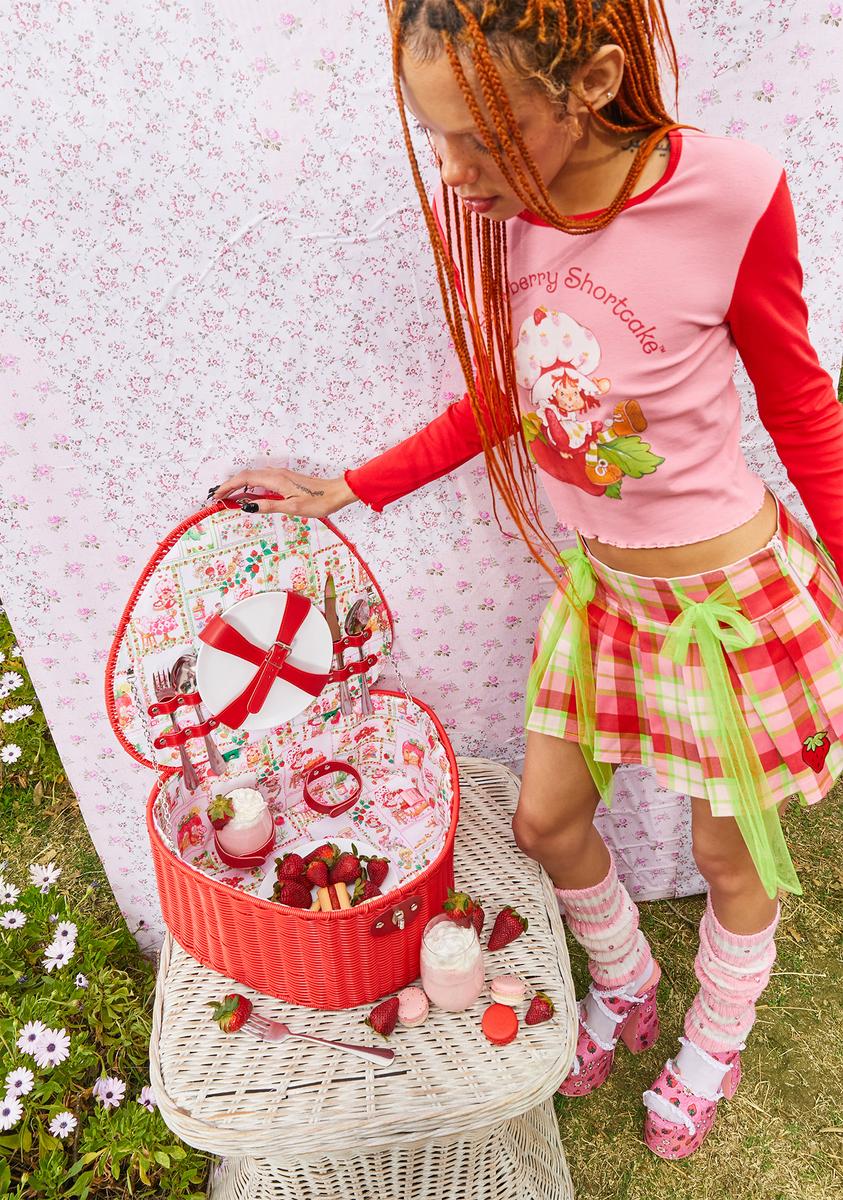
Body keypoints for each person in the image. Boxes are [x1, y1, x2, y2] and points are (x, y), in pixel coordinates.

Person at [207, 0, 843, 1160]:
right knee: (547, 822)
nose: (453, 175)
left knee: (726, 855)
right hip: (605, 602)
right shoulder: (511, 216)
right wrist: (351, 487)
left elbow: (803, 407)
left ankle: (716, 1038)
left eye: (480, 139)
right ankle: (628, 977)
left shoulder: (733, 192)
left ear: (592, 80)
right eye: (435, 137)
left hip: (722, 607)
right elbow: (510, 393)